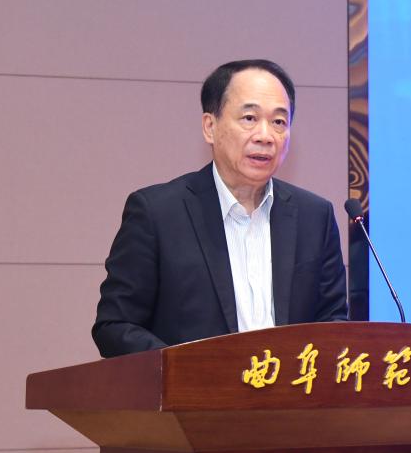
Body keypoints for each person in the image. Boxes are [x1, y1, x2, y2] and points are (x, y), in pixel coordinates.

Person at [92, 59, 347, 358]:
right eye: (249, 118)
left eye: (279, 122)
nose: (265, 136)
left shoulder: (314, 217)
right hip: (193, 387)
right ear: (210, 127)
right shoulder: (157, 214)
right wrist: (189, 370)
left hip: (289, 388)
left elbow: (333, 324)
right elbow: (115, 326)